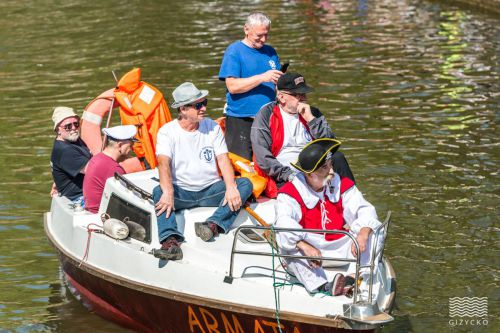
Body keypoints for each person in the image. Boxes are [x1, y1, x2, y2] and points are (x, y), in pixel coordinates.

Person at [153, 82, 253, 260]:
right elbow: (163, 163)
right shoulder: (167, 132)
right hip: (181, 192)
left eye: (204, 102)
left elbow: (223, 159)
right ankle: (170, 242)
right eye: (198, 105)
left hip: (210, 190)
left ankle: (212, 224)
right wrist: (168, 192)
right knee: (159, 191)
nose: (204, 108)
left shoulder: (212, 127)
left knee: (244, 184)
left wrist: (230, 187)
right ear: (183, 109)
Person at [274, 138, 384, 297]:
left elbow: (364, 209)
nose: (331, 171)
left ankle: (353, 278)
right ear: (310, 174)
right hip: (312, 252)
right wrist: (304, 246)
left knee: (374, 231)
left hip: (341, 245)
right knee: (287, 248)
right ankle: (323, 286)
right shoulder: (290, 193)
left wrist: (363, 233)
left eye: (331, 164)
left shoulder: (339, 183)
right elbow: (284, 223)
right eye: (325, 167)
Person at [251, 72, 355, 198]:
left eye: (304, 94)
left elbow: (330, 145)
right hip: (282, 172)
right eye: (296, 94)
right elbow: (262, 156)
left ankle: (351, 199)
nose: (302, 98)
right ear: (281, 97)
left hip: (314, 165)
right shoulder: (266, 115)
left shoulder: (313, 113)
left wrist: (311, 120)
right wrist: (289, 175)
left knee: (338, 157)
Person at [218, 12, 283, 161]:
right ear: (246, 29)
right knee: (242, 166)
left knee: (269, 163)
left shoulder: (270, 52)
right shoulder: (234, 51)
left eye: (266, 34)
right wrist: (262, 77)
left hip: (268, 119)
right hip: (241, 119)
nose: (264, 39)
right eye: (259, 35)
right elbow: (233, 86)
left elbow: (277, 84)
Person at [83, 125, 138, 214]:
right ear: (120, 145)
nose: (131, 149)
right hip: (103, 215)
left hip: (90, 210)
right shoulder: (114, 169)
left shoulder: (97, 158)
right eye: (131, 145)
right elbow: (127, 200)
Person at [50, 106, 92, 201]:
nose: (73, 128)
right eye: (68, 126)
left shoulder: (72, 139)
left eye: (76, 124)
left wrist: (57, 183)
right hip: (78, 198)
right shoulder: (65, 151)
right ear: (58, 130)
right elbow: (93, 171)